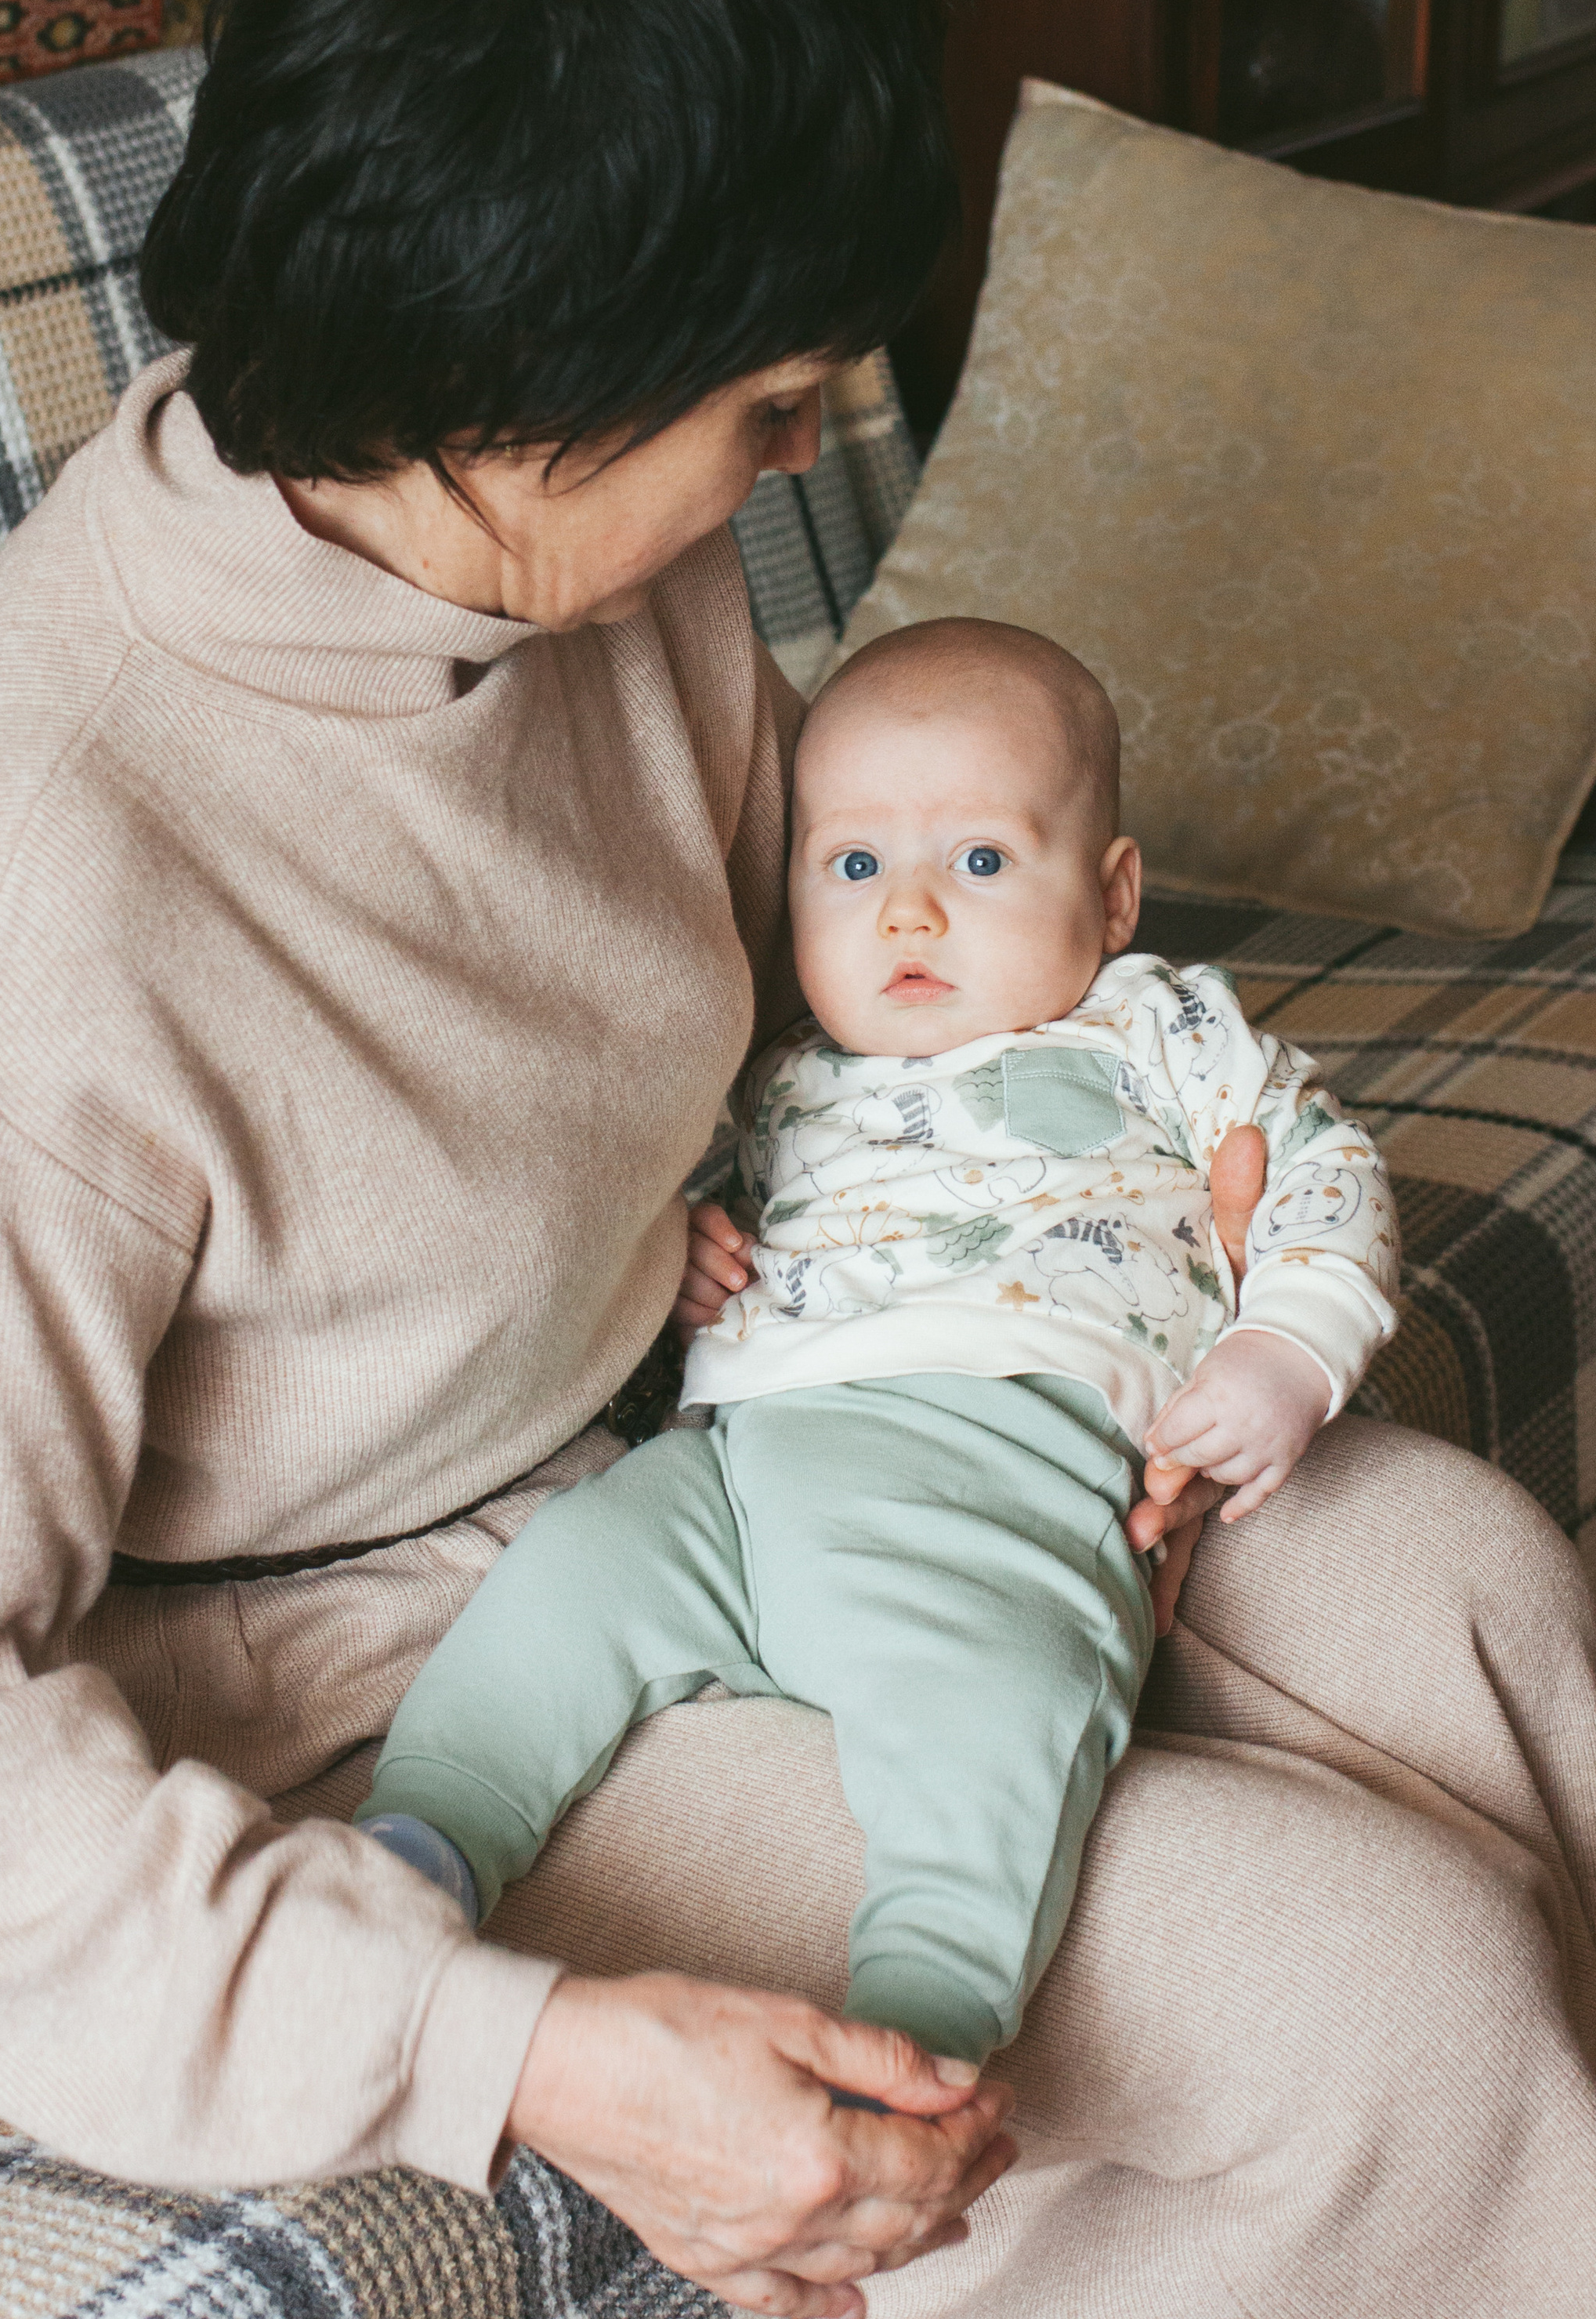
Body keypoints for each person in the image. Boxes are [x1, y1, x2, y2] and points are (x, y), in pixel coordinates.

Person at [0, 0, 1596, 2319]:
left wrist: (1127, 1279)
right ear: (525, 391)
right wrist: (513, 2049)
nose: (816, 445)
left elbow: (826, 1006)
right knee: (1353, 1982)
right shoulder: (23, 891)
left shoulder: (591, 552)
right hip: (401, 1653)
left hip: (750, 1410)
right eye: (772, 392)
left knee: (1456, 1584)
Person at [354, 617, 1402, 2075]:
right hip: (732, 1475)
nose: (908, 914)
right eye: (855, 869)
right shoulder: (784, 1074)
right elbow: (676, 1227)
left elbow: (1321, 1171)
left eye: (977, 863)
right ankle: (425, 1840)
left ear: (1110, 897)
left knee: (1000, 1714)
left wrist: (1287, 1348)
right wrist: (684, 1251)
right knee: (566, 1583)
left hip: (1002, 1471)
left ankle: (918, 2027)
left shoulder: (1154, 1025)